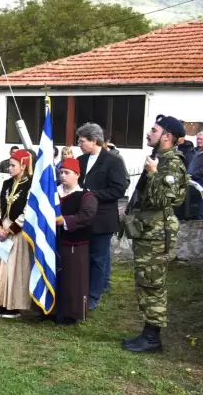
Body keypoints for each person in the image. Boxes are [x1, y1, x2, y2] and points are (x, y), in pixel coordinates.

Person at [120, 115, 188, 353]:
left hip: (158, 236)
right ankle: (148, 333)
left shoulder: (172, 163)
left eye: (154, 130)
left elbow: (165, 201)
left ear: (167, 136)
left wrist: (153, 173)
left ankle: (152, 338)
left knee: (153, 284)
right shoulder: (160, 159)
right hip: (149, 233)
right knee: (146, 282)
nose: (149, 133)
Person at [75, 122, 128, 310]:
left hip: (103, 218)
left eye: (82, 141)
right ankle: (81, 290)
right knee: (84, 257)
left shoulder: (113, 161)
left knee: (99, 259)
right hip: (82, 218)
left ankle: (93, 296)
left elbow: (118, 189)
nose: (79, 144)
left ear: (94, 140)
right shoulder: (80, 160)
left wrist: (91, 194)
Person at [0, 149, 34, 319]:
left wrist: (12, 228)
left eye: (13, 165)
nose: (9, 168)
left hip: (17, 231)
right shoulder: (6, 183)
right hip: (2, 228)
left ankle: (13, 305)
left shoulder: (31, 184)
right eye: (9, 165)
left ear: (23, 165)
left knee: (15, 267)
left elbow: (29, 209)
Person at [53, 157, 98, 325]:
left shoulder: (85, 196)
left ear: (77, 175)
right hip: (53, 241)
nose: (63, 176)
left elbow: (87, 215)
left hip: (75, 243)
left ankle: (70, 313)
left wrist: (63, 221)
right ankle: (50, 309)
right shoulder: (53, 193)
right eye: (61, 172)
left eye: (67, 173)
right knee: (53, 275)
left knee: (73, 279)